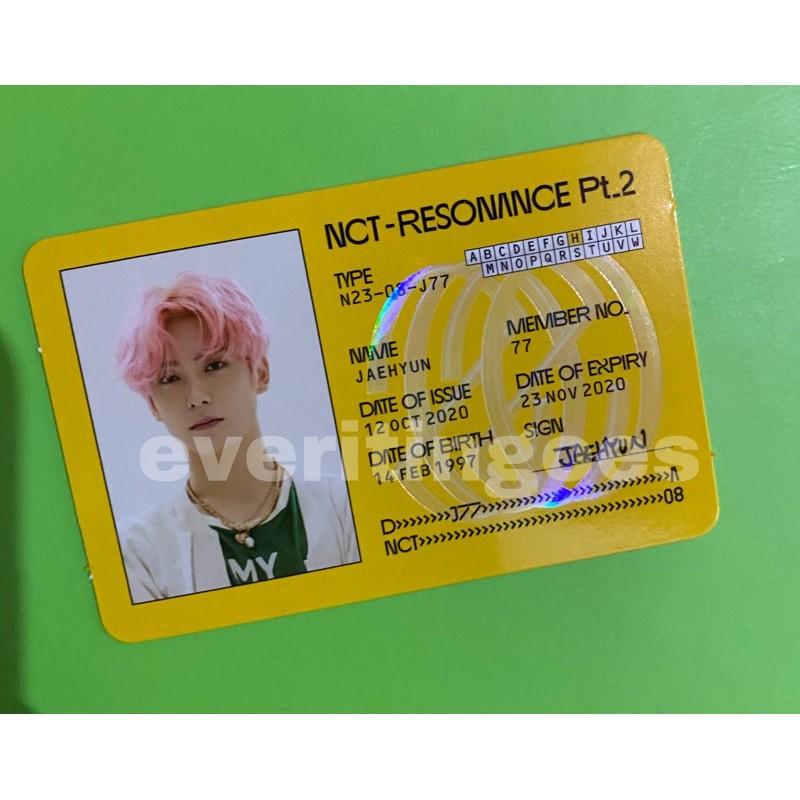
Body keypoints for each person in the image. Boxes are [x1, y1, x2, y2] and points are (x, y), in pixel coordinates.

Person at [115, 272, 359, 603]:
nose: (196, 397)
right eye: (170, 378)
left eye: (214, 366)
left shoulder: (347, 506)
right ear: (153, 406)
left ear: (260, 373)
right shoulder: (137, 553)